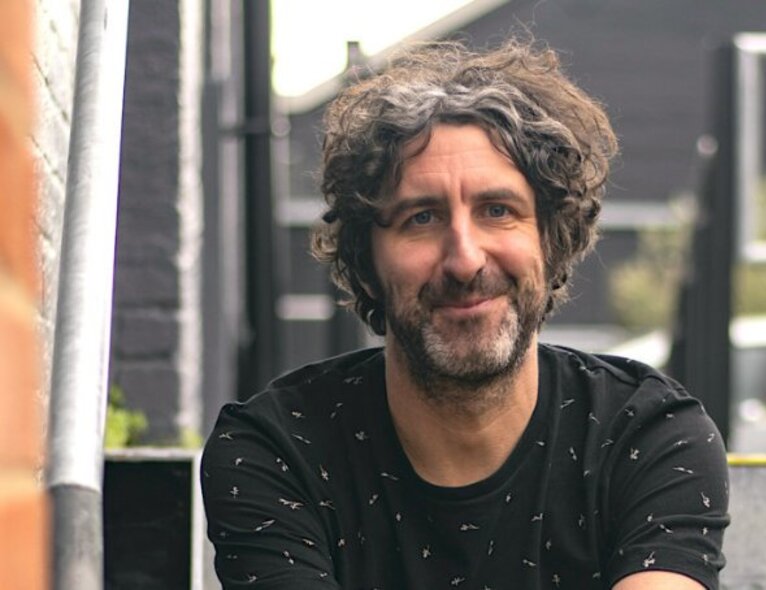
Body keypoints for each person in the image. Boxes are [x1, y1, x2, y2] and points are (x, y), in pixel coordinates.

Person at [201, 38, 729, 590]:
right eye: (421, 218)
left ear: (551, 240)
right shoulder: (277, 451)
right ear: (366, 259)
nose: (464, 260)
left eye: (498, 211)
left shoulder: (647, 437)